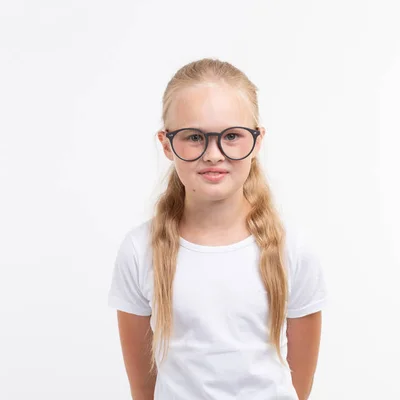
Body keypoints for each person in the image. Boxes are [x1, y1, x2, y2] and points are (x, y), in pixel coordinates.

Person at [108, 58, 328, 400]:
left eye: (232, 136)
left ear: (257, 142)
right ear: (166, 144)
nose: (213, 154)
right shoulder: (140, 250)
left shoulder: (292, 249)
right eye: (194, 137)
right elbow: (142, 389)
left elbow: (299, 389)